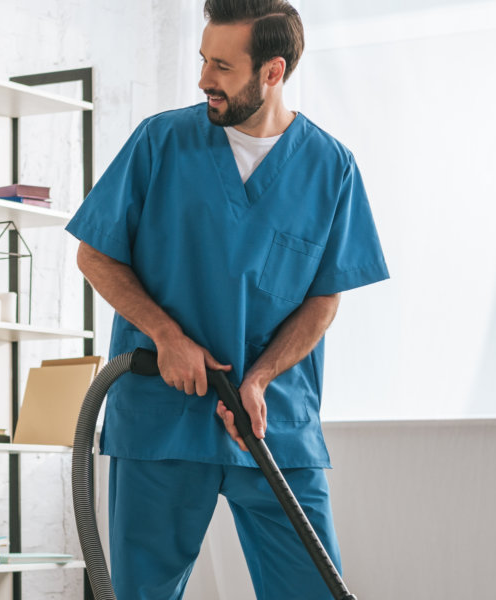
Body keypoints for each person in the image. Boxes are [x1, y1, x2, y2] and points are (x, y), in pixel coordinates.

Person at [65, 1, 390, 598]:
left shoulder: (331, 167)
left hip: (272, 425)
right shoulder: (160, 143)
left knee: (313, 587)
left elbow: (323, 300)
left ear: (272, 72)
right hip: (162, 417)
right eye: (202, 60)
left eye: (221, 65)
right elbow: (95, 254)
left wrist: (261, 378)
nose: (204, 79)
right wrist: (167, 337)